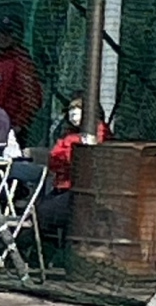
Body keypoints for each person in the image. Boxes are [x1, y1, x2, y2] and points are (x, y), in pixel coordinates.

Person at [37, 94, 113, 237]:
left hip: (78, 190)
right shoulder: (70, 134)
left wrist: (63, 159)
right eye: (71, 110)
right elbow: (54, 159)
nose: (72, 115)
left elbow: (71, 159)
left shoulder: (98, 134)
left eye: (77, 110)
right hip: (62, 185)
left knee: (42, 213)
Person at [0, 15, 43, 146]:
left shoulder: (21, 62)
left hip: (10, 131)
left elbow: (32, 98)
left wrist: (18, 125)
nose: (2, 37)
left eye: (8, 33)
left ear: (17, 36)